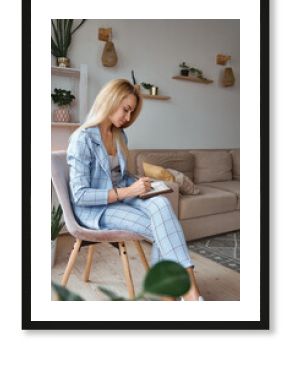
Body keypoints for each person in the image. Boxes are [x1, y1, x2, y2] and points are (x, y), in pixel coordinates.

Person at [67, 79, 204, 301]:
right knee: (161, 226)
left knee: (161, 204)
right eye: (126, 110)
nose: (128, 118)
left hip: (120, 196)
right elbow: (80, 195)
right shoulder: (82, 139)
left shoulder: (119, 135)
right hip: (95, 209)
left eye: (131, 112)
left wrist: (140, 182)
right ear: (110, 101)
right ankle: (186, 292)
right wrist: (129, 192)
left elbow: (119, 176)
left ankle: (173, 291)